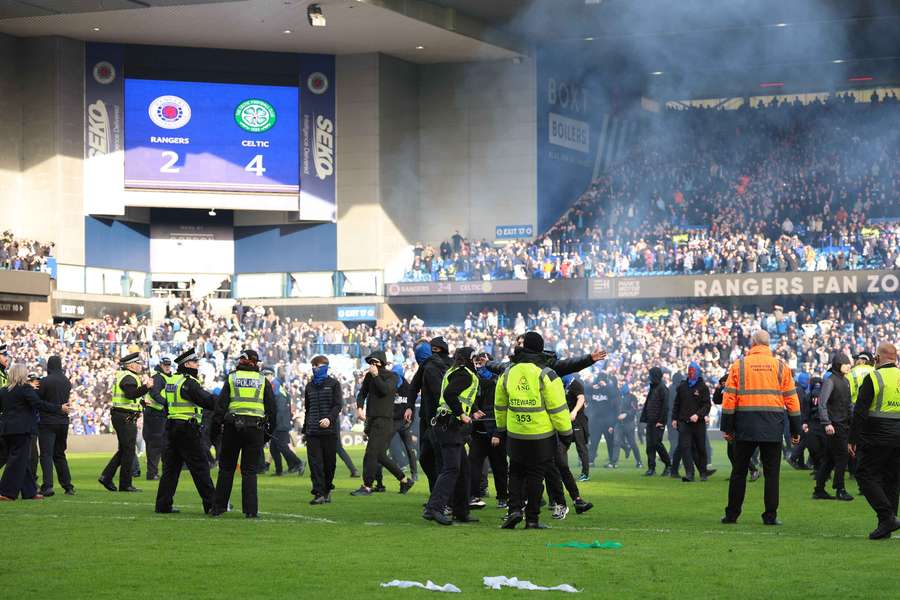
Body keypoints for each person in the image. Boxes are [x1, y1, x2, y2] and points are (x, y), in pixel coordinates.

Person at [721, 330, 800, 526]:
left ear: (753, 343)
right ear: (768, 344)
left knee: (739, 472)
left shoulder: (739, 365)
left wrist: (727, 428)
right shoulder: (781, 366)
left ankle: (732, 515)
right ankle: (770, 516)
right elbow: (792, 400)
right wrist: (796, 430)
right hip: (772, 425)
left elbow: (729, 398)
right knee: (772, 474)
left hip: (745, 425)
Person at [496, 331, 574, 530]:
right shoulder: (546, 374)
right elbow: (558, 408)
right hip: (541, 436)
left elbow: (500, 404)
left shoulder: (508, 372)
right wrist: (566, 433)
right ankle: (532, 519)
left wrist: (502, 428)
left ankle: (514, 510)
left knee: (515, 472)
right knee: (536, 477)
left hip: (515, 434)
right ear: (540, 349)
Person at [211, 349, 276, 518]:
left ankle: (218, 507)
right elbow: (272, 410)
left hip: (232, 427)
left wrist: (215, 430)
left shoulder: (232, 378)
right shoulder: (262, 380)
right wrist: (267, 434)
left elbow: (220, 407)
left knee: (226, 469)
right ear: (256, 363)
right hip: (255, 429)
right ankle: (251, 511)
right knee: (249, 471)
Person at [155, 349, 218, 514]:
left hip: (171, 428)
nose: (197, 365)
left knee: (171, 469)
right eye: (195, 362)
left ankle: (163, 505)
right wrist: (223, 402)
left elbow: (165, 401)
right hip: (187, 429)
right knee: (200, 467)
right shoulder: (188, 382)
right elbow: (206, 400)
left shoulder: (172, 380)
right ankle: (212, 504)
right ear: (187, 364)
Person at [849, 342, 900, 540]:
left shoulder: (874, 376)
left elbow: (860, 411)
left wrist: (852, 439)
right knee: (892, 479)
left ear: (877, 358)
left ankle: (887, 517)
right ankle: (886, 524)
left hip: (876, 435)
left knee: (865, 475)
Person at [423, 347, 479, 525]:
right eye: (474, 358)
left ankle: (461, 512)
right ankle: (434, 508)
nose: (476, 361)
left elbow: (459, 396)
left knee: (463, 470)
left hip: (447, 425)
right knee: (452, 469)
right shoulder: (465, 374)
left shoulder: (457, 371)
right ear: (468, 359)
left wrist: (474, 410)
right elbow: (449, 394)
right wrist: (461, 414)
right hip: (450, 426)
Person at [351, 350, 415, 496]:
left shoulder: (391, 377)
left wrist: (375, 375)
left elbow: (385, 390)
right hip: (372, 419)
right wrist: (360, 407)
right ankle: (405, 480)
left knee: (371, 453)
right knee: (380, 455)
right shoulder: (369, 377)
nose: (372, 365)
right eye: (370, 363)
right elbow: (362, 393)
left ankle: (367, 486)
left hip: (384, 420)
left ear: (382, 362)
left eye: (375, 362)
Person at [0, 365, 68, 500]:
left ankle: (29, 492)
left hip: (6, 429)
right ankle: (6, 492)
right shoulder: (25, 389)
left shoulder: (3, 391)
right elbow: (39, 404)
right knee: (16, 461)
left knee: (22, 461)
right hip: (22, 429)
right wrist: (59, 408)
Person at [99, 352, 152, 493]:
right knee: (128, 451)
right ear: (131, 365)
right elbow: (130, 394)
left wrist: (141, 402)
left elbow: (130, 397)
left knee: (124, 449)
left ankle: (107, 477)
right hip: (125, 417)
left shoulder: (126, 376)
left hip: (122, 415)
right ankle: (125, 484)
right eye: (138, 363)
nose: (141, 366)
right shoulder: (129, 377)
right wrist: (147, 387)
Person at [407, 337, 450, 492]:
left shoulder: (439, 366)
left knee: (440, 459)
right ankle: (437, 495)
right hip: (428, 419)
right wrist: (410, 406)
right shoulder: (426, 366)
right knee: (427, 458)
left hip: (441, 419)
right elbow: (413, 387)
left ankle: (443, 498)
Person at [468, 352, 508, 509]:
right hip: (478, 432)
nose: (479, 365)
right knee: (474, 465)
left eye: (482, 362)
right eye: (477, 362)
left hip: (494, 432)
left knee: (499, 467)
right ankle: (473, 496)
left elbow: (500, 410)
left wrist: (498, 432)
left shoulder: (497, 382)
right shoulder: (473, 381)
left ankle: (503, 497)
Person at [812, 354, 854, 501]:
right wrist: (826, 423)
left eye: (849, 363)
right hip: (834, 426)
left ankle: (819, 489)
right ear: (838, 364)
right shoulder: (830, 381)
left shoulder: (846, 381)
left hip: (842, 424)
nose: (849, 365)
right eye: (846, 363)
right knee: (842, 457)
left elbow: (848, 404)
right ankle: (840, 489)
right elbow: (822, 404)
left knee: (829, 459)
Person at [302, 355, 343, 504]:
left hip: (329, 431)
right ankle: (318, 492)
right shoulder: (309, 386)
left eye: (317, 366)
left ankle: (327, 489)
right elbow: (308, 408)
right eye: (313, 366)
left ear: (325, 366)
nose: (314, 368)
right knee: (315, 464)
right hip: (312, 431)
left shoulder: (334, 384)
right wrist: (305, 429)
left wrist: (329, 419)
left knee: (329, 463)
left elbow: (338, 405)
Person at [37, 355, 74, 496]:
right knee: (59, 454)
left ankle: (48, 486)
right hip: (63, 422)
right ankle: (68, 486)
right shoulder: (66, 381)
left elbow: (38, 401)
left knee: (46, 455)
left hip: (47, 422)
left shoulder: (45, 381)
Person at [672, 361, 715, 482]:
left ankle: (703, 472)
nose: (690, 373)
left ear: (697, 372)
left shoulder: (703, 387)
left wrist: (698, 415)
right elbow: (677, 404)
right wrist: (674, 418)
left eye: (693, 370)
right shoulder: (682, 387)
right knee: (685, 448)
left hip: (698, 424)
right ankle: (689, 473)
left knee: (701, 447)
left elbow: (707, 405)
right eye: (689, 370)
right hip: (684, 422)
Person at [714, 374, 760, 481]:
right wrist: (719, 388)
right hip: (731, 422)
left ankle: (752, 470)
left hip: (738, 422)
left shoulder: (739, 388)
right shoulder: (727, 387)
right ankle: (738, 473)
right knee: (731, 453)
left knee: (737, 451)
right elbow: (717, 400)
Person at [264, 368, 304, 476]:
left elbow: (280, 407)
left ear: (271, 375)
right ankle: (280, 470)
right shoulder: (275, 386)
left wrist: (274, 421)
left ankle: (298, 463)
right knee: (274, 448)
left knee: (281, 446)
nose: (264, 377)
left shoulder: (274, 386)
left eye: (266, 375)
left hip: (279, 422)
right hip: (280, 420)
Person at [144, 357, 175, 481]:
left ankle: (155, 472)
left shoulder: (165, 377)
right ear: (160, 365)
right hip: (155, 414)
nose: (167, 367)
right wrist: (168, 404)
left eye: (169, 365)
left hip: (160, 414)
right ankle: (152, 473)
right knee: (155, 445)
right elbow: (154, 394)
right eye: (165, 365)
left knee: (161, 444)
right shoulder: (158, 377)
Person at [640, 367, 671, 476]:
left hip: (658, 422)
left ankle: (668, 465)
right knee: (650, 445)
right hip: (650, 421)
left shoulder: (662, 388)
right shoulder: (653, 388)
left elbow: (665, 407)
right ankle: (651, 468)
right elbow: (648, 404)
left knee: (657, 444)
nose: (649, 377)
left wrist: (661, 421)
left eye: (651, 375)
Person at [587, 372, 618, 468]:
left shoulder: (610, 388)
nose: (600, 381)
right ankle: (590, 461)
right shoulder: (593, 388)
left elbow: (615, 394)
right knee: (594, 442)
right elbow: (585, 390)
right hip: (596, 421)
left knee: (610, 442)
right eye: (599, 379)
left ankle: (612, 462)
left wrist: (606, 386)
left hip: (607, 421)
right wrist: (592, 386)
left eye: (602, 379)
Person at [564, 375, 592, 479]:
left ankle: (585, 473)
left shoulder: (576, 384)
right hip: (566, 421)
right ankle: (562, 471)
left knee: (581, 447)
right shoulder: (563, 385)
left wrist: (574, 411)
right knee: (561, 447)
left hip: (577, 421)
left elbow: (581, 398)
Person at [610, 383, 642, 470]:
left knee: (633, 444)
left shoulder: (632, 397)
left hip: (629, 424)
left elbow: (634, 409)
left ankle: (639, 461)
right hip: (618, 424)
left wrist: (626, 414)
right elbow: (613, 412)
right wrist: (611, 425)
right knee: (616, 442)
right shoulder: (617, 398)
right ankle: (613, 462)